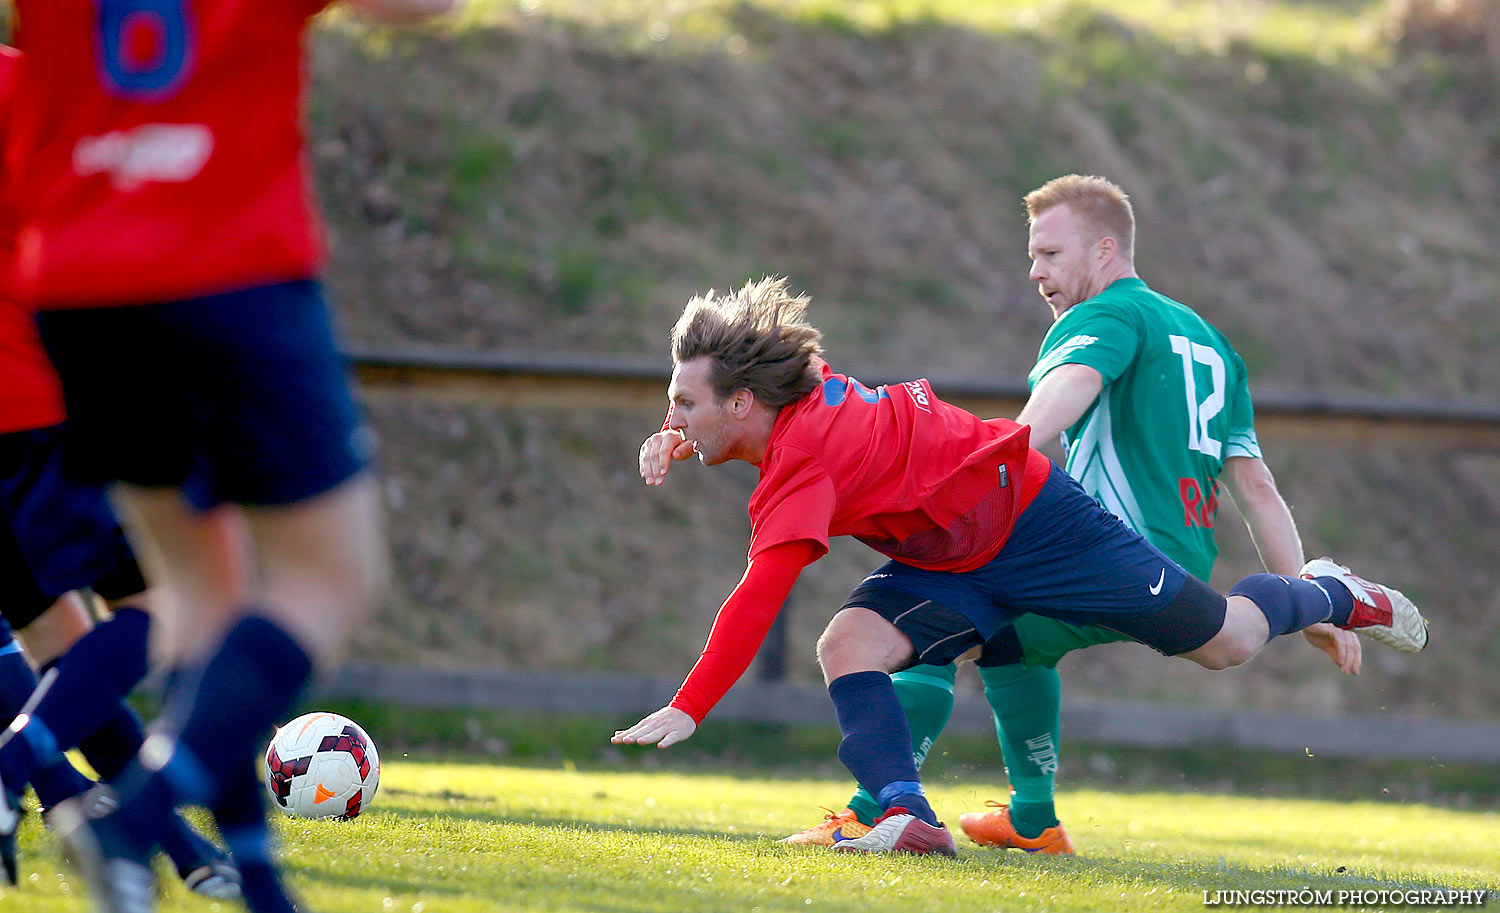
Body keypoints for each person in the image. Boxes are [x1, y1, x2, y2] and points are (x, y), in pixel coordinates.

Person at [615, 276, 1428, 856]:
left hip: (1041, 523)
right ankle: (905, 813)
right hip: (953, 552)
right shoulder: (787, 396)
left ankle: (1335, 591)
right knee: (848, 643)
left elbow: (758, 594)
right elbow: (722, 402)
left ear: (744, 404)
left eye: (685, 402)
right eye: (675, 400)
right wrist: (682, 430)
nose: (677, 410)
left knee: (1227, 640)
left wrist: (691, 705)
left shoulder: (801, 463)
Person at [6, 1, 459, 910]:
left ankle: (257, 876)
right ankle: (131, 817)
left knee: (200, 603)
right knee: (329, 578)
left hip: (84, 285)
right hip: (228, 266)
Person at [765, 173, 1362, 854]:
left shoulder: (1104, 314)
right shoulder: (1213, 344)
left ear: (1105, 250)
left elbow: (1073, 383)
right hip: (1180, 558)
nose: (1034, 271)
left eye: (1050, 253)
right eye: (1031, 254)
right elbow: (1256, 486)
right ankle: (1033, 817)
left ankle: (876, 810)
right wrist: (1302, 600)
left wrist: (999, 457)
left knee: (927, 621)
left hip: (1098, 548)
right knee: (1011, 641)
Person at [0, 42, 237, 896]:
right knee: (166, 603)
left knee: (58, 647)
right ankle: (14, 766)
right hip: (39, 405)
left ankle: (183, 850)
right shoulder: (31, 86)